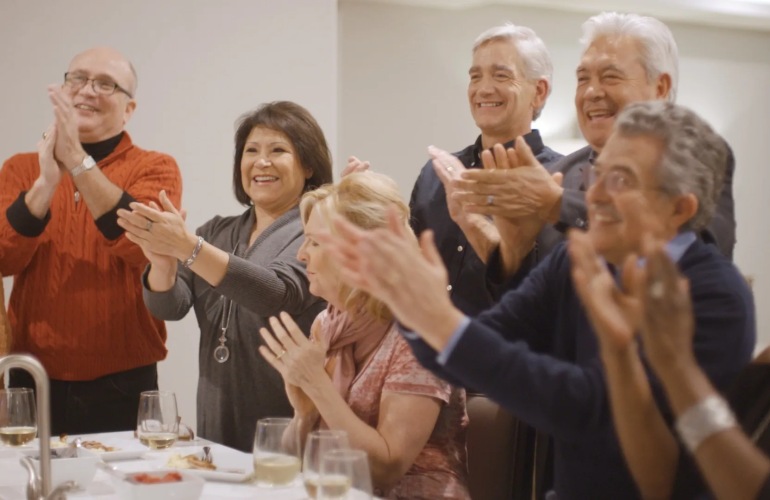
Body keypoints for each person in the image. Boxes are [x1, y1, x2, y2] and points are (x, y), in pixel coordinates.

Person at [321, 101, 754, 499]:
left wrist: (440, 322)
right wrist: (411, 305)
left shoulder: (715, 296)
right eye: (596, 173)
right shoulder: (575, 258)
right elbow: (477, 347)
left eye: (620, 180)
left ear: (679, 209)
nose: (595, 195)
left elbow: (592, 410)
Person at [451, 11, 736, 291]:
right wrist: (510, 251)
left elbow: (695, 254)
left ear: (659, 88)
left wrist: (558, 205)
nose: (591, 92)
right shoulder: (560, 174)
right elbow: (530, 307)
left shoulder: (698, 155)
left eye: (610, 77)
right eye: (583, 79)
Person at [117, 101, 330, 452]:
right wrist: (162, 264)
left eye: (278, 150)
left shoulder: (314, 230)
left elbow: (274, 293)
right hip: (217, 410)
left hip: (286, 416)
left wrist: (189, 248)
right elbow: (169, 307)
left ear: (308, 165)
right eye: (251, 151)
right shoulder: (217, 230)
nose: (261, 162)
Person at [0, 47, 183, 435]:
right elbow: (4, 259)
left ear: (128, 109)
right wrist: (46, 184)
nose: (88, 90)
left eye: (105, 84)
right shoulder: (20, 169)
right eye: (77, 79)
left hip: (122, 381)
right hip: (30, 377)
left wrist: (78, 161)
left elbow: (140, 248)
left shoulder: (156, 167)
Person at [259, 172, 469, 499]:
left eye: (315, 241)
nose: (301, 254)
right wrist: (305, 412)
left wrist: (318, 385)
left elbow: (387, 468)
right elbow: (295, 459)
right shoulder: (327, 325)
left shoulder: (419, 335)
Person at [573, 235, 769, 500]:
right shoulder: (763, 372)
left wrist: (677, 366)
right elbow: (670, 484)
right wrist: (622, 352)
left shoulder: (722, 294)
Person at [409, 22, 563, 316]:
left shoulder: (559, 180)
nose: (483, 89)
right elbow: (409, 263)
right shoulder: (436, 173)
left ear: (539, 92)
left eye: (501, 75)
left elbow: (553, 296)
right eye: (475, 77)